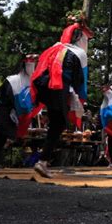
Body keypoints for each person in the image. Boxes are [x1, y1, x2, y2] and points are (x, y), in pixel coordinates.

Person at [28, 16, 93, 178]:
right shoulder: (79, 53)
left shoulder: (55, 47)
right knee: (60, 123)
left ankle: (42, 159)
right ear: (79, 38)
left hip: (43, 85)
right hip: (58, 86)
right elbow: (80, 81)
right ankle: (42, 161)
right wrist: (79, 99)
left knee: (55, 121)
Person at [0, 54, 38, 170]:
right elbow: (3, 96)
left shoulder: (31, 81)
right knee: (3, 137)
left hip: (13, 113)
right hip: (4, 110)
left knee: (1, 138)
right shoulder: (12, 80)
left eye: (33, 64)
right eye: (29, 64)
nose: (31, 67)